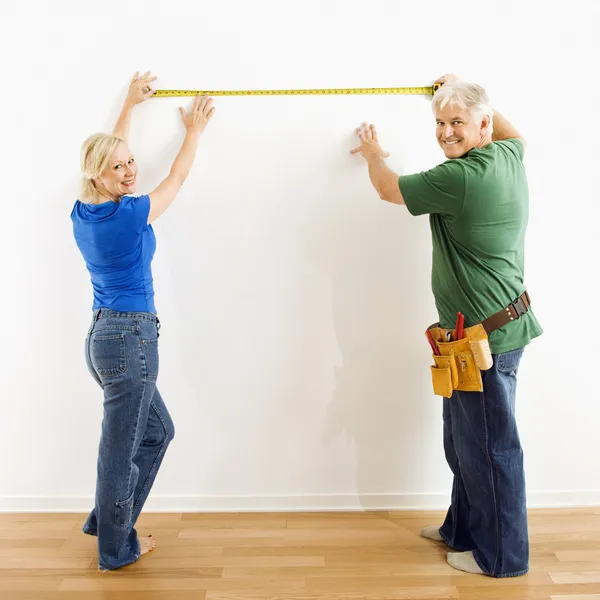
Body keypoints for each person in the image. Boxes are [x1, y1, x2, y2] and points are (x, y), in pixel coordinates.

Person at [350, 73, 543, 578]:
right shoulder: (507, 155)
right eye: (439, 122)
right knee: (464, 442)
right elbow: (516, 135)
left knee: (489, 448)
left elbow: (389, 189)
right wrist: (465, 91)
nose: (446, 132)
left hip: (487, 340)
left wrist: (372, 151)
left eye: (458, 122)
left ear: (482, 126)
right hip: (480, 334)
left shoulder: (459, 178)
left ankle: (501, 558)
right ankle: (462, 529)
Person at [71, 72, 215, 571]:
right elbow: (175, 180)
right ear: (98, 174)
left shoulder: (84, 210)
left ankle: (105, 521)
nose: (130, 170)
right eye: (119, 167)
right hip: (130, 341)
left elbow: (111, 152)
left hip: (105, 337)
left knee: (156, 432)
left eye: (130, 163)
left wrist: (130, 105)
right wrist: (193, 133)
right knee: (122, 449)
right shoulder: (130, 215)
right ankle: (115, 548)